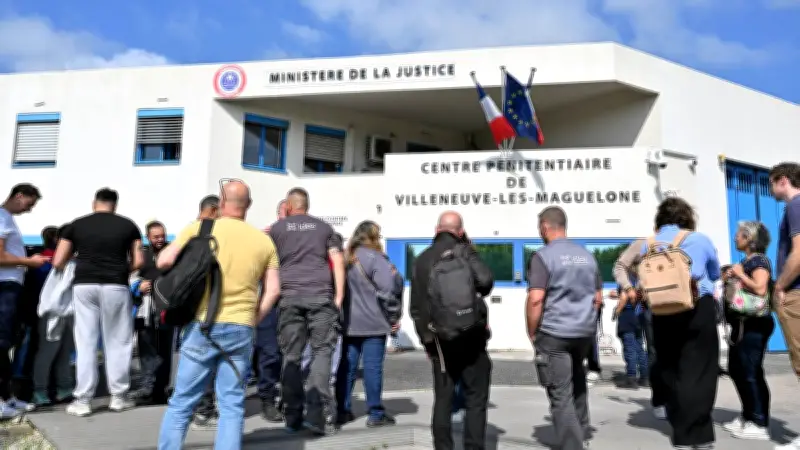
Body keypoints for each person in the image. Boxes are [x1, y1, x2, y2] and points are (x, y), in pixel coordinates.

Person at [157, 180, 280, 449]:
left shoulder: (200, 228)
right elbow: (273, 290)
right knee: (232, 405)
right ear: (247, 206)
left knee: (182, 402)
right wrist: (254, 319)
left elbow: (163, 261)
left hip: (203, 324)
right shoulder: (264, 241)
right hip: (241, 328)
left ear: (221, 204)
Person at [53, 188, 144, 417]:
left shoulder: (76, 225)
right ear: (115, 204)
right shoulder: (129, 225)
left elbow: (57, 261)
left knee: (86, 342)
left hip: (84, 285)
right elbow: (139, 260)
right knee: (118, 341)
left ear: (94, 203)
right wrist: (121, 270)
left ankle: (83, 400)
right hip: (116, 285)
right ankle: (118, 397)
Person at [410, 211, 494, 450]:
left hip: (440, 342)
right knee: (476, 400)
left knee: (443, 400)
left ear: (436, 229)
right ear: (460, 231)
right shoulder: (466, 252)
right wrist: (469, 248)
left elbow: (416, 308)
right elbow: (486, 282)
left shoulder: (422, 260)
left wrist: (427, 341)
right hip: (472, 339)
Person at [642, 197, 721, 449]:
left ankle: (680, 425)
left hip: (661, 310)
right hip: (696, 306)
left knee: (670, 368)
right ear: (687, 216)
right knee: (700, 371)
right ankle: (697, 435)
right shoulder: (699, 240)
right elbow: (715, 273)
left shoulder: (650, 245)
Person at [269, 187, 345, 435]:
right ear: (307, 206)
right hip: (320, 296)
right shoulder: (324, 228)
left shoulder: (277, 230)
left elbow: (267, 264)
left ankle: (292, 417)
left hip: (289, 296)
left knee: (291, 356)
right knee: (322, 352)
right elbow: (338, 261)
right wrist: (339, 296)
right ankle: (318, 414)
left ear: (288, 207)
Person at [526, 206, 602, 450]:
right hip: (583, 333)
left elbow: (536, 298)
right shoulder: (586, 256)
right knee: (577, 380)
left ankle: (572, 445)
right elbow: (598, 297)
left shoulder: (543, 257)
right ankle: (583, 432)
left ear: (545, 227)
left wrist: (532, 331)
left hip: (555, 333)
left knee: (560, 393)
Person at [335, 220, 403, 428]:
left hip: (349, 323)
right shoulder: (376, 259)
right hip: (374, 324)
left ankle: (342, 410)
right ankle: (375, 413)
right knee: (373, 368)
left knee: (346, 368)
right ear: (374, 237)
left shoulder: (346, 259)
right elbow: (388, 291)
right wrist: (393, 317)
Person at [720, 221, 774, 441]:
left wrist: (740, 275)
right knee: (737, 369)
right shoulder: (747, 261)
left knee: (750, 373)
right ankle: (747, 415)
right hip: (741, 325)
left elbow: (760, 289)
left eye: (739, 235)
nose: (735, 238)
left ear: (750, 239)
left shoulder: (759, 261)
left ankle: (759, 421)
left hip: (754, 325)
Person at [0, 183, 46, 418]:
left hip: (10, 286)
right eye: (30, 204)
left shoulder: (6, 218)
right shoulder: (1, 217)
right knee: (0, 343)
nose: (29, 210)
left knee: (5, 343)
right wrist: (29, 262)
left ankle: (8, 399)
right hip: (4, 286)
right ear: (19, 196)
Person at [613, 238, 666, 418]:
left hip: (628, 317)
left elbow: (625, 298)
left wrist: (616, 310)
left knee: (631, 347)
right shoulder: (642, 278)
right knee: (641, 346)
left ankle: (631, 377)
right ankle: (644, 376)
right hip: (639, 316)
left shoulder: (627, 280)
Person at [769, 163, 800, 450]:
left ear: (782, 181)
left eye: (771, 183)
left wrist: (780, 286)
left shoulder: (795, 206)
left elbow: (799, 253)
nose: (770, 189)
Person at [130, 221, 173, 405]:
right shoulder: (142, 256)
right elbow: (130, 275)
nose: (160, 240)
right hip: (145, 310)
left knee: (164, 351)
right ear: (148, 237)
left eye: (162, 235)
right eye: (156, 237)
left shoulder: (173, 252)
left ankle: (160, 388)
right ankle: (147, 387)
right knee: (147, 350)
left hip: (167, 310)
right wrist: (138, 286)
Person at [32, 225, 75, 407]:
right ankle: (39, 391)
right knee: (47, 353)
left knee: (65, 353)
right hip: (52, 312)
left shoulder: (75, 261)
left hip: (71, 312)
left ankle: (64, 388)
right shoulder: (51, 260)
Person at [189, 194, 222, 431]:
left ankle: (200, 408)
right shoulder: (210, 234)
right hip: (211, 308)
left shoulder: (188, 231)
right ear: (211, 211)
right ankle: (204, 408)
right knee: (209, 362)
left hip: (193, 308)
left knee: (196, 361)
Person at [255, 199, 287, 423]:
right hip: (268, 304)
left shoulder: (302, 239)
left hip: (293, 304)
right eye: (285, 213)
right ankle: (267, 398)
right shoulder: (265, 237)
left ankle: (286, 399)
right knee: (269, 352)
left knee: (289, 356)